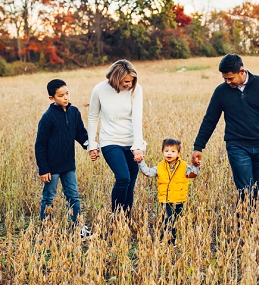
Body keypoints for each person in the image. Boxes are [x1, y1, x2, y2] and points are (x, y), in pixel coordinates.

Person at [192, 54, 259, 203]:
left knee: (255, 192)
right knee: (246, 192)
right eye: (224, 78)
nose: (227, 82)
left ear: (241, 71)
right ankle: (243, 225)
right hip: (236, 146)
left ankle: (247, 224)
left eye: (230, 78)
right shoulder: (221, 91)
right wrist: (198, 146)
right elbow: (210, 120)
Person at [34, 78, 96, 239]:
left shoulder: (74, 112)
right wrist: (44, 168)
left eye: (67, 93)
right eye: (61, 95)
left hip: (69, 164)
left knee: (73, 195)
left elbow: (80, 133)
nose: (65, 98)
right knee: (49, 196)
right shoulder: (47, 118)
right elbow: (40, 145)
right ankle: (46, 229)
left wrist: (89, 145)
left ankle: (78, 227)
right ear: (52, 98)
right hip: (52, 167)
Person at [88, 60, 147, 214]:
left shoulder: (136, 89)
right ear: (116, 77)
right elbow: (93, 117)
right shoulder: (99, 89)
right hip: (110, 141)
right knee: (123, 178)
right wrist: (92, 144)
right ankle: (115, 216)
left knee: (131, 183)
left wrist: (138, 146)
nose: (129, 84)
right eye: (126, 81)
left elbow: (137, 118)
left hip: (131, 142)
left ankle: (124, 221)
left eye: (132, 81)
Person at [139, 139, 196, 244]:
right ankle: (168, 241)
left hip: (179, 199)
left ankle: (166, 239)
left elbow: (192, 175)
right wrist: (140, 162)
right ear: (162, 152)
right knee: (168, 219)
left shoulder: (184, 166)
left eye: (173, 151)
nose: (169, 153)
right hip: (165, 200)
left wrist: (196, 165)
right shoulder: (159, 166)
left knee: (174, 221)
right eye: (166, 151)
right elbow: (148, 172)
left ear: (179, 154)